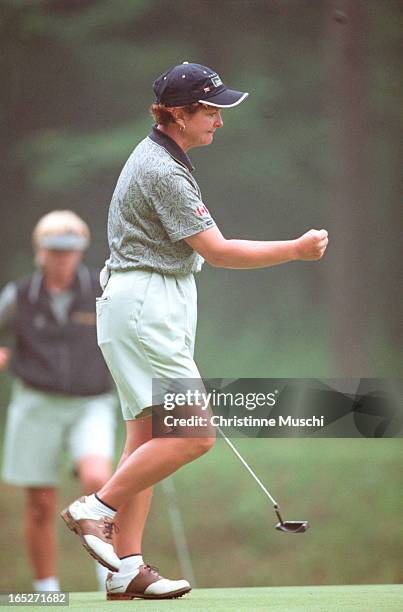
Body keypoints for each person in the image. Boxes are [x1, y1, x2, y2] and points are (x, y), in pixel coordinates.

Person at [61, 62, 329, 601]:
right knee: (194, 434)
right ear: (178, 115)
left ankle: (125, 569)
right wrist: (296, 250)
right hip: (146, 305)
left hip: (144, 302)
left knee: (147, 440)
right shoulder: (162, 171)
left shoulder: (165, 158)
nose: (219, 121)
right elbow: (219, 250)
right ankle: (95, 509)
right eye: (211, 111)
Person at [0, 210, 117, 592]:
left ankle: (109, 577)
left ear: (80, 250)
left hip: (92, 401)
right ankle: (46, 592)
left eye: (69, 250)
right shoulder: (19, 296)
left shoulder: (101, 291)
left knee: (98, 479)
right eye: (54, 250)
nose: (62, 258)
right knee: (40, 504)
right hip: (37, 403)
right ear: (40, 252)